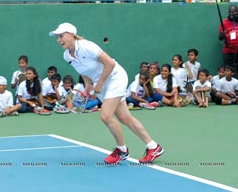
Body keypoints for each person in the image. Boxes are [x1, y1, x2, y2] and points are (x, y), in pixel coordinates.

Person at [49, 22, 164, 164]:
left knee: (105, 116)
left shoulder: (86, 46)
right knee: (124, 117)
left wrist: (100, 84)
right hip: (100, 82)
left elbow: (110, 63)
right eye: (57, 37)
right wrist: (88, 86)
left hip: (115, 77)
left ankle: (121, 150)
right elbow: (83, 71)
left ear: (72, 35)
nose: (59, 40)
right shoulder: (67, 56)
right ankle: (153, 147)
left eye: (61, 36)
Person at [218, 5, 238, 73]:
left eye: (234, 12)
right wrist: (222, 35)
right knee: (228, 71)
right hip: (228, 51)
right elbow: (220, 38)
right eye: (230, 12)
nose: (232, 13)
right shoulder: (224, 23)